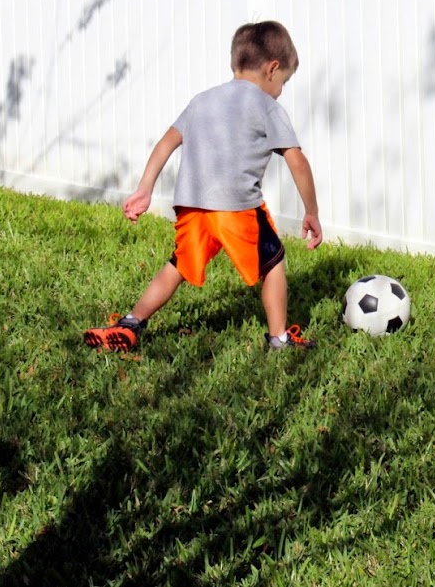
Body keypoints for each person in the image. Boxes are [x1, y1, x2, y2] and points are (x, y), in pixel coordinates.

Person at [84, 20, 323, 353]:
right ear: (272, 69)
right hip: (237, 209)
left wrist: (144, 188)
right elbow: (297, 161)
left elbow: (167, 142)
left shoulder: (202, 100)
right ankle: (279, 339)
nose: (281, 89)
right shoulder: (267, 106)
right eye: (284, 81)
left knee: (178, 265)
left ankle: (130, 324)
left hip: (192, 206)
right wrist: (311, 211)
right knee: (273, 262)